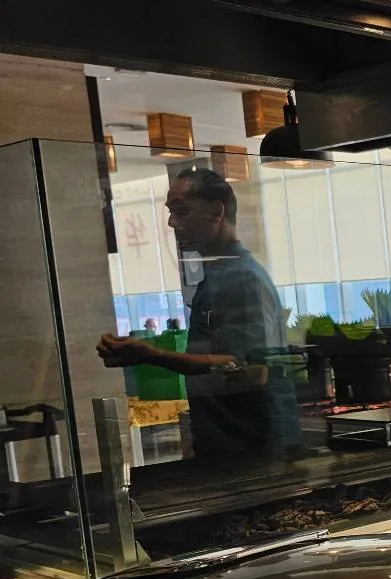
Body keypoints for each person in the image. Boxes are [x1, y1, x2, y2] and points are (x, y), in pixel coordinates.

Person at [98, 167, 296, 459]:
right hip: (230, 444)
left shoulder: (240, 278)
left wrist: (152, 355)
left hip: (251, 449)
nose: (171, 222)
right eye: (170, 212)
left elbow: (252, 371)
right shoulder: (219, 274)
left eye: (181, 211)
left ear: (216, 212)